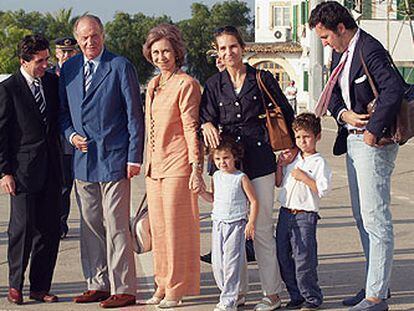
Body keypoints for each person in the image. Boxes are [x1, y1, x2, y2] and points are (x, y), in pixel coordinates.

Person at [309, 2, 405, 311]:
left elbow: (394, 89)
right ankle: (377, 285)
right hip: (351, 140)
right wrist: (343, 113)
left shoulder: (369, 48)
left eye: (325, 37)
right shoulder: (341, 52)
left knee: (376, 218)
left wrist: (373, 130)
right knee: (362, 217)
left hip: (373, 144)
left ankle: (376, 297)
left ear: (340, 28)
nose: (324, 44)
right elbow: (334, 92)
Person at [200, 25, 295, 311]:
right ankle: (235, 293)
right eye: (223, 48)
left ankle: (272, 294)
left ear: (242, 47)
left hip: (260, 161)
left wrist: (290, 147)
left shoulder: (261, 78)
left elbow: (285, 112)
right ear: (217, 52)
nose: (228, 52)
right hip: (228, 168)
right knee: (230, 231)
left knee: (262, 229)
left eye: (233, 46)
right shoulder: (214, 84)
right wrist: (205, 123)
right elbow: (204, 117)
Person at [59, 14, 144, 309]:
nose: (89, 42)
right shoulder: (68, 69)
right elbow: (63, 115)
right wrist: (70, 136)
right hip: (83, 162)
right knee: (90, 225)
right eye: (83, 37)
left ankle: (124, 288)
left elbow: (134, 115)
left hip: (115, 159)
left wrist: (135, 156)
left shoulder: (119, 66)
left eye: (94, 35)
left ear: (103, 35)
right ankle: (97, 283)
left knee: (116, 225)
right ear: (77, 39)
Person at [142, 24, 203, 308]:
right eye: (155, 52)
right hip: (154, 168)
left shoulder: (186, 84)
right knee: (159, 230)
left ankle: (177, 289)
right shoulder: (154, 85)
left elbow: (191, 127)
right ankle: (162, 283)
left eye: (166, 50)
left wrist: (196, 167)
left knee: (177, 229)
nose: (161, 56)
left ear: (177, 52)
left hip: (178, 164)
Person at [0, 34, 62, 305]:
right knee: (22, 230)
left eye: (47, 59)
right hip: (22, 172)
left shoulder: (51, 82)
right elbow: (1, 134)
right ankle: (15, 284)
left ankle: (39, 286)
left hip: (52, 168)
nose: (45, 65)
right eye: (39, 61)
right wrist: (5, 172)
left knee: (49, 230)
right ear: (23, 61)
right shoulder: (8, 89)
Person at [275, 113, 332, 311]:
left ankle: (312, 297)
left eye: (306, 137)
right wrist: (280, 166)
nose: (302, 141)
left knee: (304, 258)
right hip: (285, 212)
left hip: (305, 215)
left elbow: (323, 189)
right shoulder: (293, 158)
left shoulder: (319, 162)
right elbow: (278, 183)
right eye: (298, 137)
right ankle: (295, 295)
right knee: (282, 255)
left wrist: (305, 177)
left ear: (318, 136)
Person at [200, 137, 259, 311]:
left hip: (236, 224)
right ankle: (231, 293)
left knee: (231, 263)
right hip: (218, 223)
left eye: (226, 158)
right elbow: (214, 198)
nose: (222, 162)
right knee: (218, 263)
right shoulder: (216, 176)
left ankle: (228, 300)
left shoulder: (241, 178)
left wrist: (251, 223)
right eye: (218, 159)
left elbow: (254, 201)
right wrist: (201, 193)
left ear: (234, 157)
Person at [48, 36, 79, 239]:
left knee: (66, 185)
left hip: (71, 139)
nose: (67, 55)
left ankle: (60, 224)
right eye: (63, 52)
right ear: (56, 53)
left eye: (70, 52)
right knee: (53, 185)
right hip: (52, 139)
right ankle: (53, 223)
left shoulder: (79, 73)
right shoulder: (48, 75)